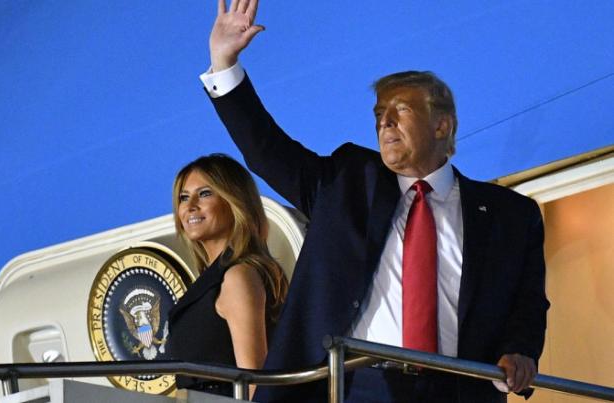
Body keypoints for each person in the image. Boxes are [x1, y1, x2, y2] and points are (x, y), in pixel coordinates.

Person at [198, 1, 550, 402]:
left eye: (400, 111)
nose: (384, 123)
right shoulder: (346, 183)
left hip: (458, 389)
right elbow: (266, 150)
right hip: (355, 384)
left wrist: (520, 351)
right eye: (379, 113)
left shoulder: (510, 215)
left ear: (442, 125)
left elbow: (528, 304)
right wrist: (224, 64)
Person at [166, 153, 288, 399]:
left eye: (204, 194)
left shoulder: (237, 276)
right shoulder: (214, 279)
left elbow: (254, 384)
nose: (190, 206)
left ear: (235, 201)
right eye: (183, 197)